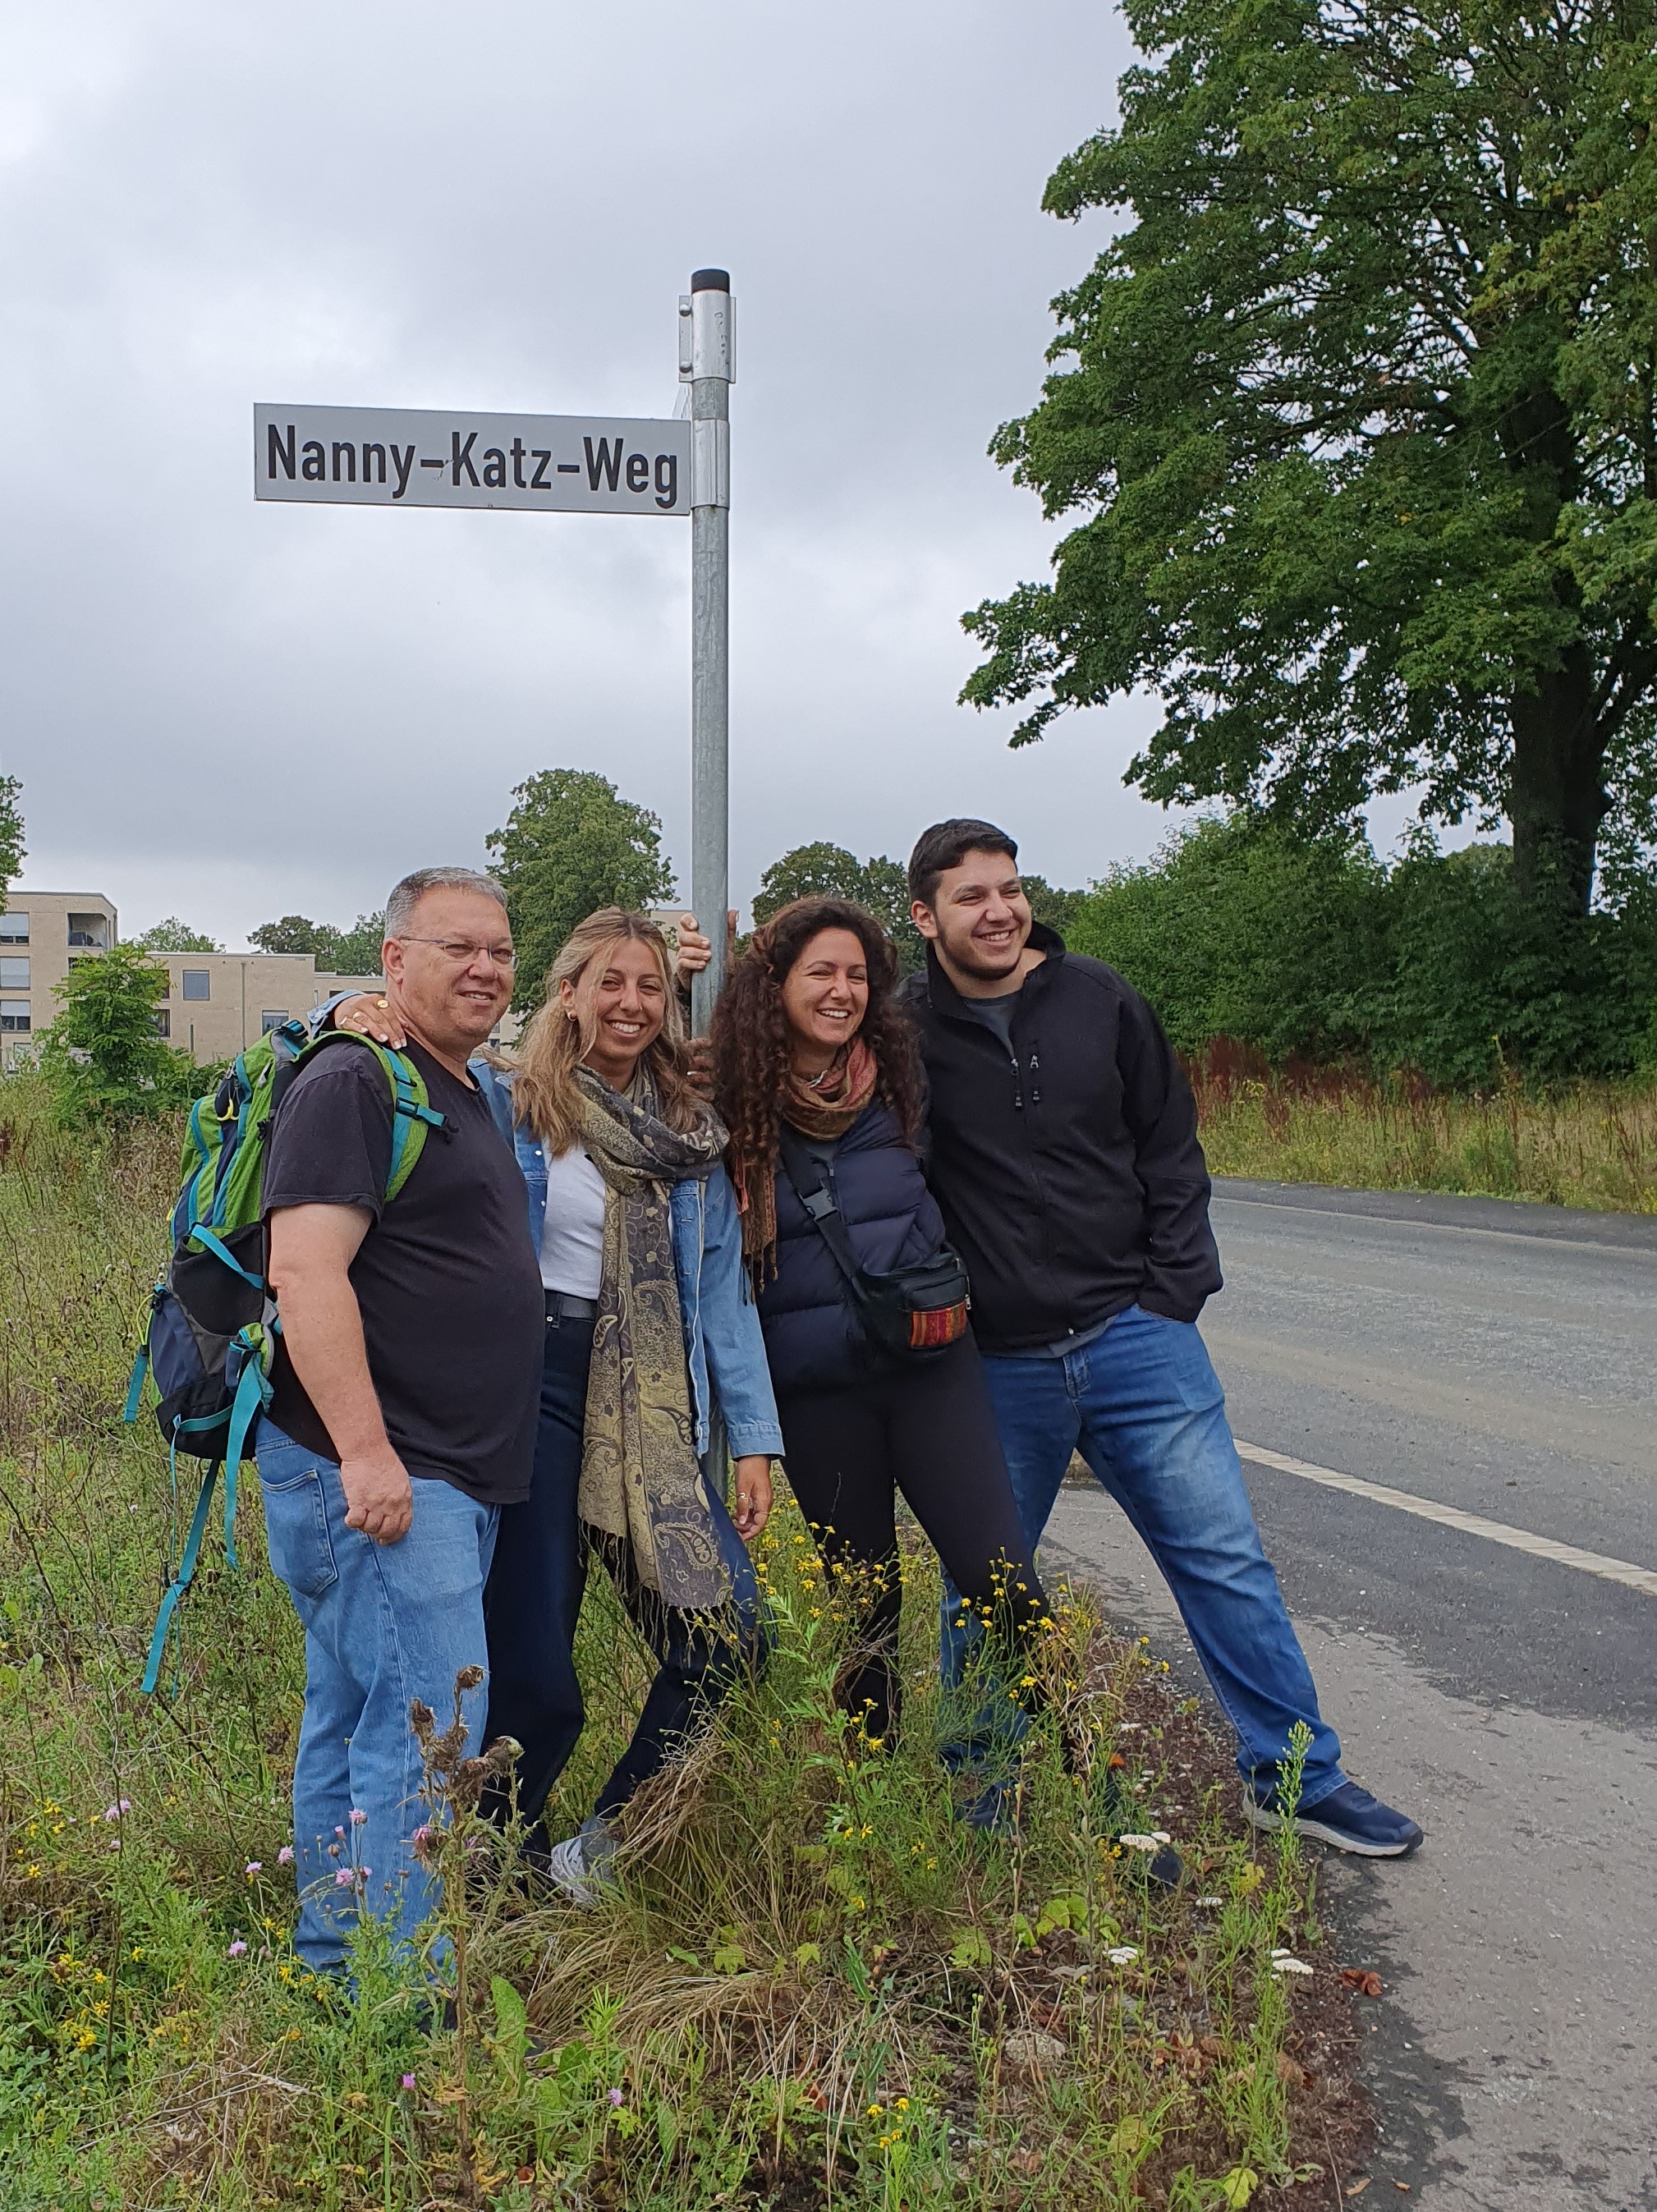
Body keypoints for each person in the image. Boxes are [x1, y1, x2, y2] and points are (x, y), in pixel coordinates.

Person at [900, 820, 1424, 1857]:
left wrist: (1172, 1292)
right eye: (970, 897)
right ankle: (983, 1796)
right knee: (986, 1582)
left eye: (1008, 888)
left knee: (1225, 1560)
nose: (998, 911)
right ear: (924, 916)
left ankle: (1293, 1777)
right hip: (994, 1362)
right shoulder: (901, 1030)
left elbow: (1169, 1147)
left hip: (1135, 1338)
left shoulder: (1099, 999)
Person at [333, 909, 782, 1906]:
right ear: (567, 990)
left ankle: (601, 1848)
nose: (629, 1003)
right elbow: (381, 1044)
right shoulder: (502, 1100)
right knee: (533, 1672)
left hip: (653, 1404)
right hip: (527, 1387)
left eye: (649, 986)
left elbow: (720, 1294)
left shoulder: (686, 1128)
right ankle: (500, 1869)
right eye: (608, 982)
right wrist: (347, 1003)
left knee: (728, 1638)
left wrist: (752, 1438)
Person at [258, 866, 544, 1974]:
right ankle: (405, 1998)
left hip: (442, 1470)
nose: (483, 968)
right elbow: (306, 1271)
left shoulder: (463, 1082)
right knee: (429, 1739)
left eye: (499, 950)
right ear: (393, 959)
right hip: (380, 1469)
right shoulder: (355, 1081)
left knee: (353, 1715)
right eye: (455, 947)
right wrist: (370, 1454)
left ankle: (337, 1968)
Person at [710, 895, 1054, 1786]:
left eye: (857, 975)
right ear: (772, 984)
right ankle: (874, 1792)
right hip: (815, 1385)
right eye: (820, 972)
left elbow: (1000, 1014)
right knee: (862, 1600)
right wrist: (345, 1010)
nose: (841, 991)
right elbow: (587, 1053)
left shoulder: (901, 1074)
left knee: (998, 1578)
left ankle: (1090, 1773)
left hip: (930, 1365)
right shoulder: (725, 1090)